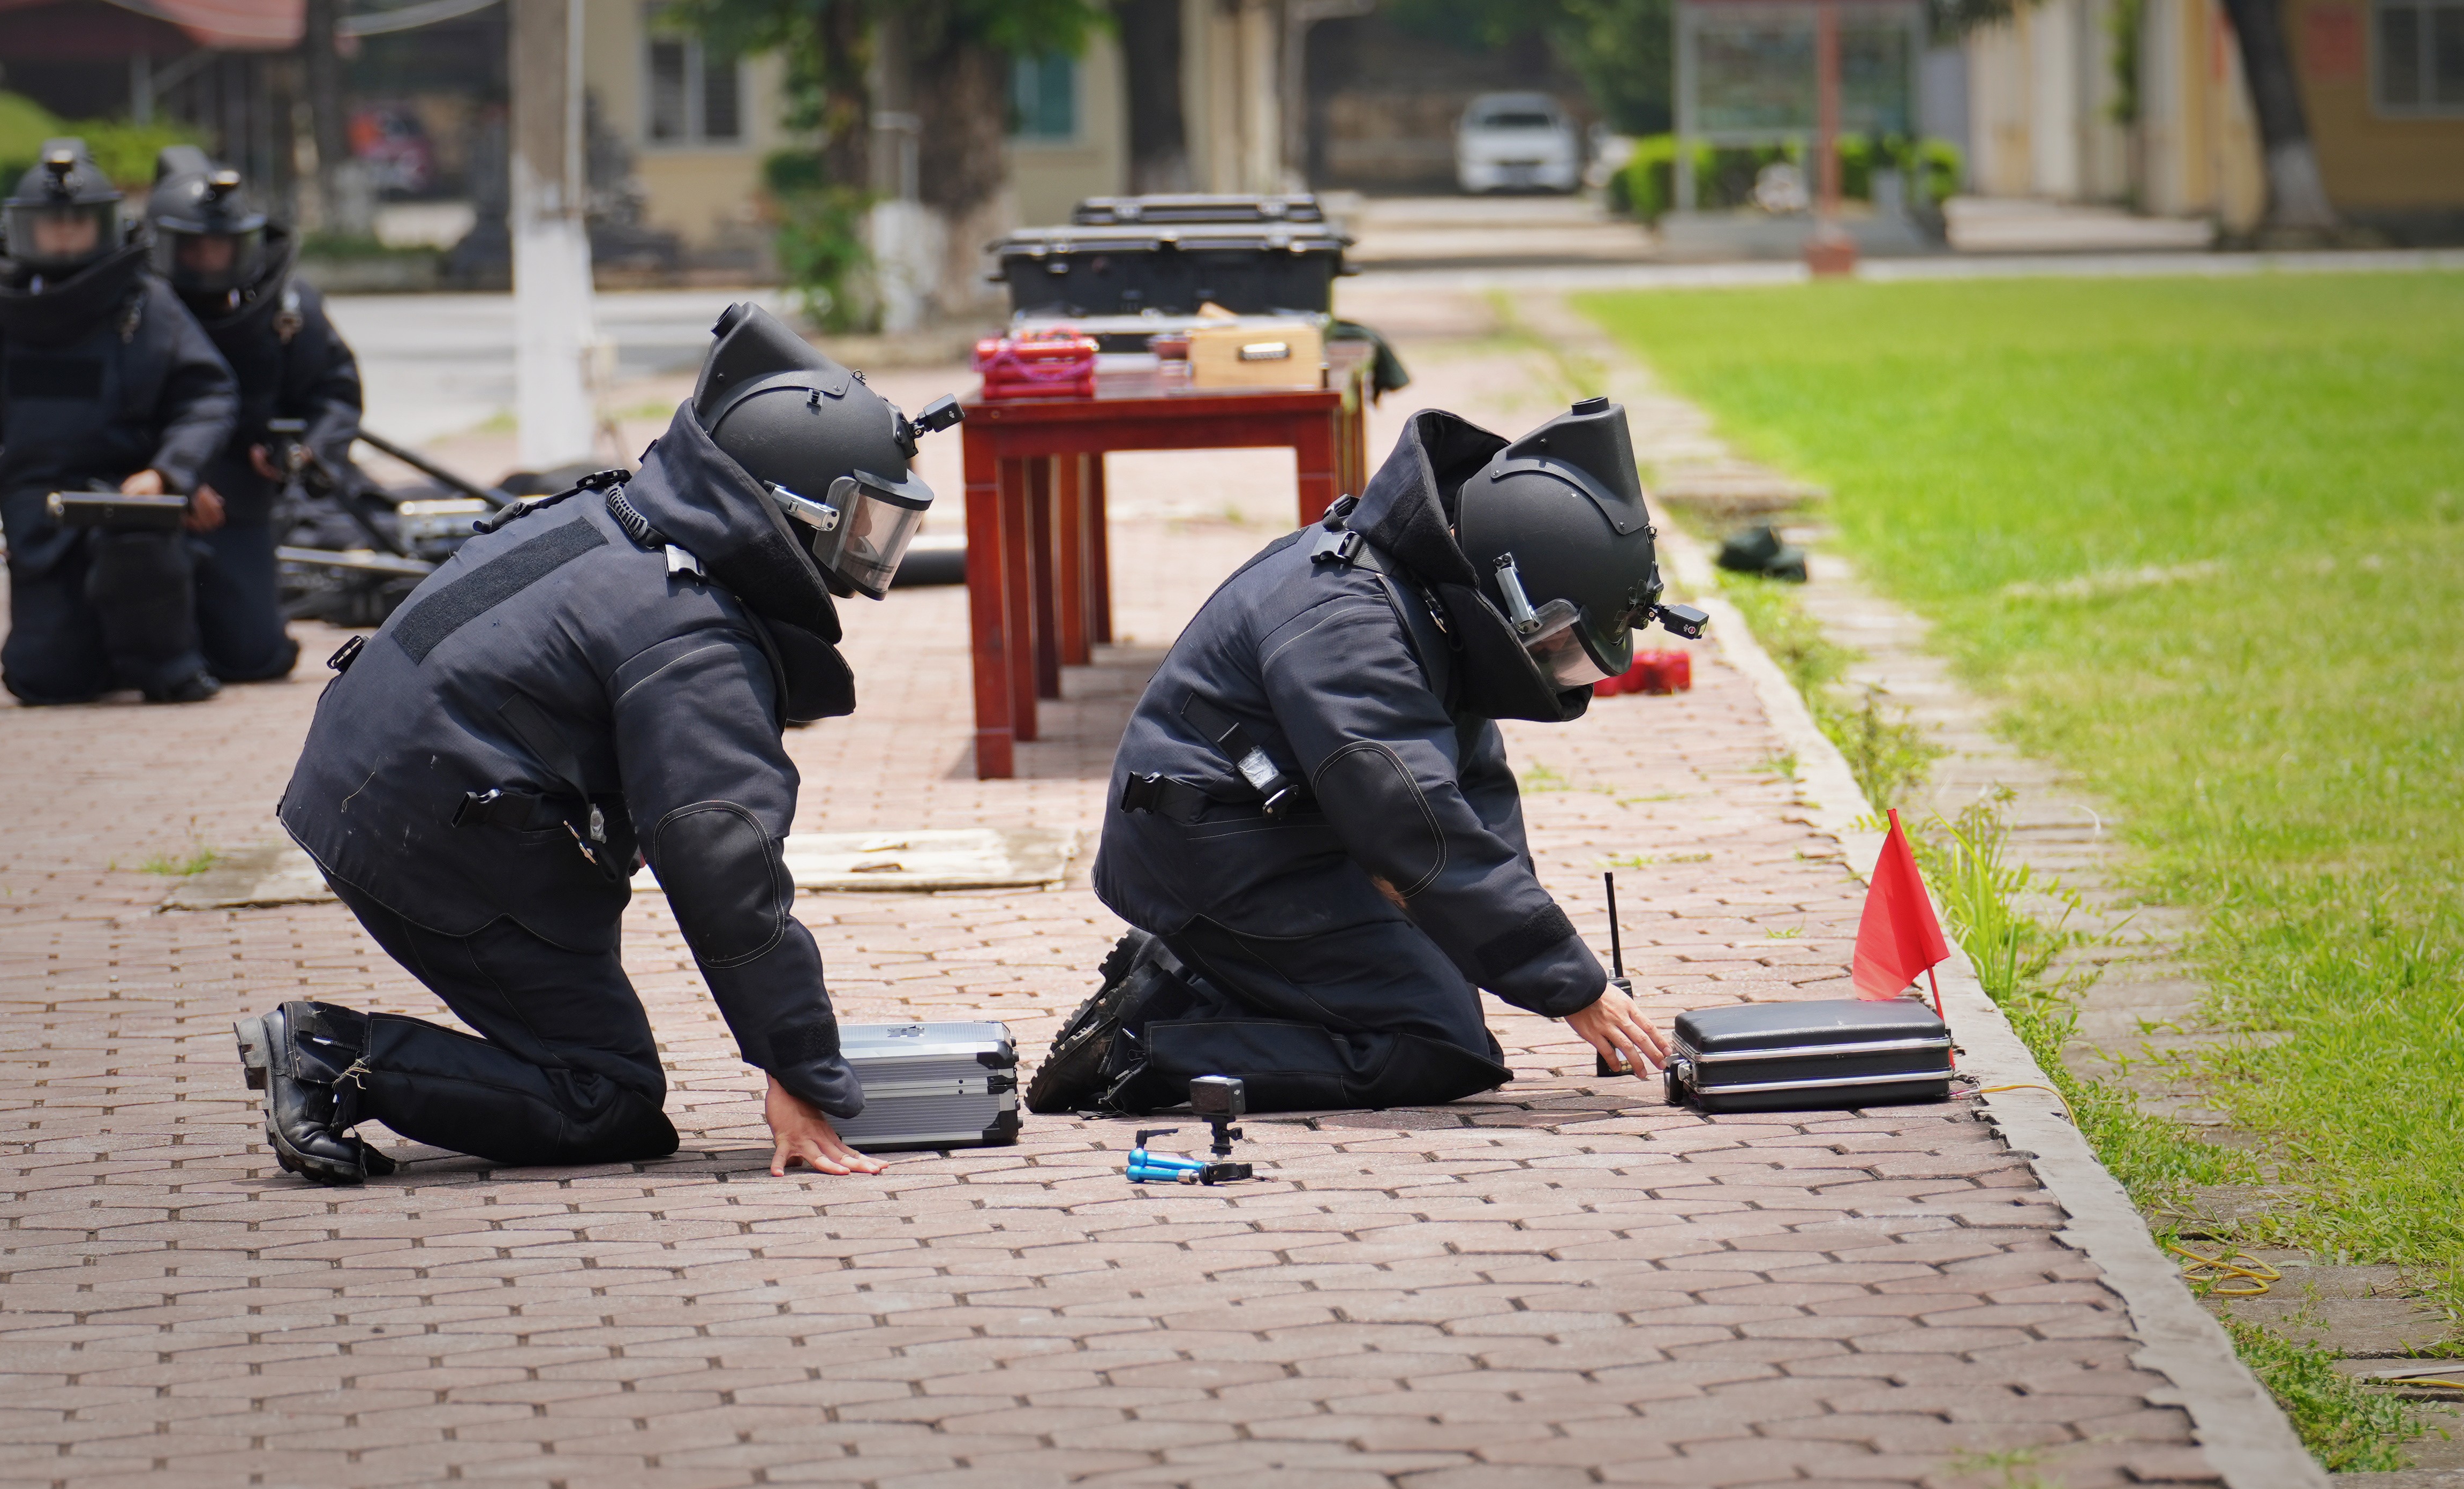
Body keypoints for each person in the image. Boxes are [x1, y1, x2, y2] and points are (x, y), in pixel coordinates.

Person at [240, 303, 954, 1185]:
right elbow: (720, 859)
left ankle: (339, 1049)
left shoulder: (624, 518)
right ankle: (333, 1054)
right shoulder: (691, 634)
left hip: (383, 779)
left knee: (592, 1053)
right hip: (432, 829)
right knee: (603, 1097)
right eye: (862, 525)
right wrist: (800, 1069)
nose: (869, 555)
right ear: (795, 511)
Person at [1030, 398, 1705, 1116]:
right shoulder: (1352, 626)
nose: (1555, 665)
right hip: (1210, 854)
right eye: (1556, 648)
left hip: (1277, 828)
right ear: (1510, 590)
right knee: (1440, 1044)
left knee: (1442, 971)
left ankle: (1207, 982)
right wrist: (1570, 982)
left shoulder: (1431, 596)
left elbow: (1474, 789)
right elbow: (1414, 823)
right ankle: (1146, 1042)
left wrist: (1531, 949)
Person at [0, 139, 237, 704]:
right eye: (52, 225)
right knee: (46, 681)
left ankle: (165, 660)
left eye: (78, 224)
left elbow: (207, 394)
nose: (64, 236)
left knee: (142, 557)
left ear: (105, 225)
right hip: (40, 500)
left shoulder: (147, 303)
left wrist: (169, 472)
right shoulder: (5, 312)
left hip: (132, 490)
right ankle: (92, 655)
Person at [147, 147, 363, 684]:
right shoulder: (130, 310)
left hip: (239, 499)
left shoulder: (286, 308)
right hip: (141, 492)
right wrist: (173, 479)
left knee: (253, 658)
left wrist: (308, 449)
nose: (210, 262)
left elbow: (335, 392)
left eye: (223, 247)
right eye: (195, 249)